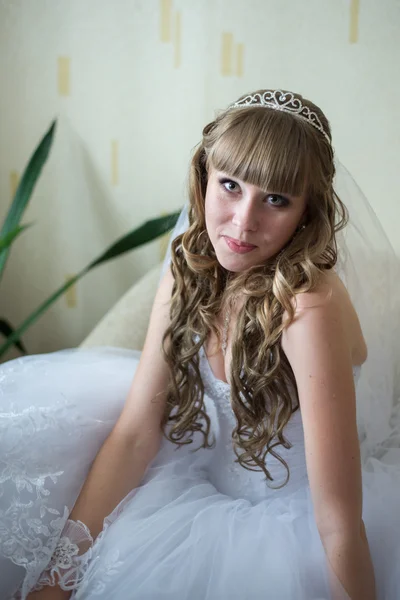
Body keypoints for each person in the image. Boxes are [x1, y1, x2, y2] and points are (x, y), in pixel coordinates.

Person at [1, 89, 400, 600]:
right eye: (230, 185)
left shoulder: (307, 310)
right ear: (203, 177)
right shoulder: (189, 263)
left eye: (275, 199)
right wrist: (55, 583)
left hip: (295, 526)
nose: (243, 221)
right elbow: (135, 435)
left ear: (307, 212)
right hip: (192, 485)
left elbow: (338, 521)